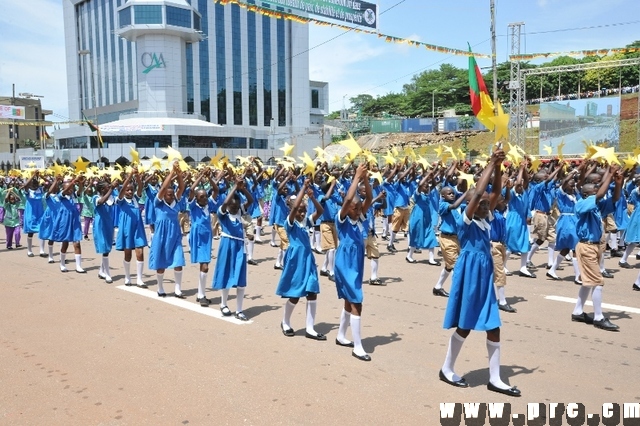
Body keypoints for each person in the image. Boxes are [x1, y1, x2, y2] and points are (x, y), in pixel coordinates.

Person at [439, 149, 521, 397]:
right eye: (481, 204)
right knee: (464, 325)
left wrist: (498, 167)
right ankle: (447, 368)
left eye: (487, 204)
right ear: (470, 206)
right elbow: (477, 194)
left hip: (484, 274)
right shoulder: (466, 219)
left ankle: (495, 378)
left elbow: (494, 192)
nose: (487, 205)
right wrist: (491, 164)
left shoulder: (486, 217)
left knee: (493, 325)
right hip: (470, 273)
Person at [571, 165, 622, 331]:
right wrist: (611, 173)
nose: (598, 190)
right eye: (594, 188)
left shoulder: (596, 206)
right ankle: (599, 317)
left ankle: (578, 311)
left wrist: (619, 183)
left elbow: (614, 199)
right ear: (586, 193)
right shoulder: (581, 204)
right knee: (598, 282)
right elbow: (600, 194)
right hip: (586, 246)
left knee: (588, 283)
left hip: (594, 246)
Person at [276, 179, 326, 338]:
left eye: (304, 210)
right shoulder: (289, 222)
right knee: (295, 295)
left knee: (312, 292)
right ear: (291, 210)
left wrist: (311, 198)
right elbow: (296, 206)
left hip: (308, 259)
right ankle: (285, 321)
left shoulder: (306, 221)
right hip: (295, 261)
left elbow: (320, 211)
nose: (302, 213)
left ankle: (310, 328)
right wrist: (303, 188)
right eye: (299, 210)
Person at [333, 164, 373, 361]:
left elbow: (370, 199)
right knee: (357, 301)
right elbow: (349, 198)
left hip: (356, 263)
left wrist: (365, 178)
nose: (358, 210)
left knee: (349, 300)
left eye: (359, 208)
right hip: (345, 263)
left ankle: (341, 335)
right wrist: (356, 177)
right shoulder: (341, 219)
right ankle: (358, 346)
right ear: (346, 208)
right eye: (355, 208)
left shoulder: (359, 220)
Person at [211, 175, 253, 321]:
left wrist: (243, 189)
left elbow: (251, 201)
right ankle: (223, 304)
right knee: (226, 273)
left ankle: (239, 309)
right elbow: (225, 202)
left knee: (241, 278)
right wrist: (234, 186)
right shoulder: (223, 214)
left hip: (240, 245)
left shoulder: (240, 211)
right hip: (227, 244)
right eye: (232, 206)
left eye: (236, 206)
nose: (235, 208)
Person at [149, 164, 186, 298]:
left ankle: (178, 289)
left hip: (175, 234)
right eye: (168, 195)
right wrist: (172, 172)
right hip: (161, 235)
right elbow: (164, 187)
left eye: (171, 194)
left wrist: (179, 173)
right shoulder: (158, 203)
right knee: (161, 262)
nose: (170, 196)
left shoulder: (176, 201)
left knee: (179, 261)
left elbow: (181, 187)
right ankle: (160, 287)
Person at [187, 168, 219, 307]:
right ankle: (202, 295)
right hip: (197, 236)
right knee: (204, 265)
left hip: (207, 235)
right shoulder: (193, 206)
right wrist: (200, 176)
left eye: (206, 196)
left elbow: (216, 190)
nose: (205, 199)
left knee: (204, 265)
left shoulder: (209, 205)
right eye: (201, 197)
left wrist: (210, 177)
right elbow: (191, 190)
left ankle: (201, 293)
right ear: (196, 198)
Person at [433, 182, 468, 297]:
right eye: (449, 194)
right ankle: (459, 293)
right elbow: (454, 206)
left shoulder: (459, 206)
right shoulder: (443, 205)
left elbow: (466, 207)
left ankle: (438, 287)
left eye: (453, 193)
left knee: (449, 266)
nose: (452, 195)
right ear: (443, 196)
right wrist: (466, 193)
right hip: (446, 239)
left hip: (457, 239)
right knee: (456, 266)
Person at [116, 170, 148, 287]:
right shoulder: (120, 200)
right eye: (127, 190)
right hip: (127, 229)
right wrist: (129, 177)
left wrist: (137, 176)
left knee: (140, 253)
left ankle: (139, 279)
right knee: (128, 254)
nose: (129, 191)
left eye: (131, 190)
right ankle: (127, 276)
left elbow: (140, 186)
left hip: (138, 228)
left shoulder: (136, 199)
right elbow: (123, 189)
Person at [49, 175, 86, 273]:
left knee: (77, 243)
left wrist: (80, 183)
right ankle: (62, 264)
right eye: (68, 187)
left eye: (72, 188)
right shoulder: (61, 195)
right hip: (65, 220)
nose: (70, 189)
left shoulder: (74, 195)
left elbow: (80, 191)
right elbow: (66, 191)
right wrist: (73, 182)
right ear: (63, 188)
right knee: (65, 243)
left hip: (75, 220)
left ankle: (78, 266)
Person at [93, 180, 118, 283]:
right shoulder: (96, 197)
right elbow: (101, 202)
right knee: (104, 248)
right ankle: (107, 274)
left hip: (109, 223)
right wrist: (111, 189)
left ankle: (101, 270)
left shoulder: (111, 198)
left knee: (107, 248)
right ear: (102, 189)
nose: (110, 187)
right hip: (100, 224)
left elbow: (119, 198)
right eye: (108, 186)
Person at [20, 172, 47, 257]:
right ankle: (29, 250)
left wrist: (40, 176)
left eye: (36, 182)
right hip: (31, 213)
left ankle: (42, 251)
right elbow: (25, 185)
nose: (35, 184)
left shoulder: (40, 189)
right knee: (30, 232)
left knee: (42, 231)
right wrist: (33, 176)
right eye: (33, 182)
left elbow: (48, 183)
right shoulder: (28, 191)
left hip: (40, 212)